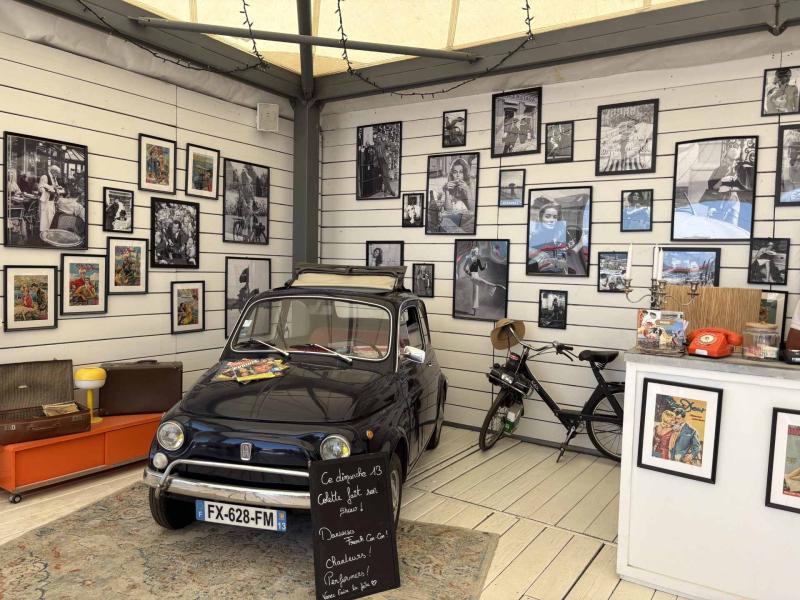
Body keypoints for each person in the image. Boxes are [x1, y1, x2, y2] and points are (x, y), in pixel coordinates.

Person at [700, 142, 751, 230]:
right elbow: (712, 188)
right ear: (725, 158)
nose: (732, 163)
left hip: (733, 204)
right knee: (716, 227)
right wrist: (722, 180)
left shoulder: (741, 171)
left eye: (735, 161)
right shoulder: (718, 170)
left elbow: (746, 188)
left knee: (731, 228)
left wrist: (737, 181)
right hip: (718, 203)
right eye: (730, 160)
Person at [462, 246, 505, 316]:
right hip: (472, 276)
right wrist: (469, 273)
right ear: (473, 251)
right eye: (476, 251)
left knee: (477, 290)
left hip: (477, 275)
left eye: (477, 252)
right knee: (479, 286)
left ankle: (475, 307)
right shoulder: (469, 259)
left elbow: (481, 269)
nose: (477, 253)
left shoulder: (478, 260)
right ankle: (495, 286)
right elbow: (464, 268)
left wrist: (485, 266)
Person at [38, 165, 64, 235]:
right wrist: (48, 189)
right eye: (56, 173)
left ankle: (49, 232)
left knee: (51, 217)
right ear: (53, 171)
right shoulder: (45, 177)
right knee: (45, 218)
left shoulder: (54, 178)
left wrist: (58, 188)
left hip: (51, 200)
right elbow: (40, 187)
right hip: (46, 200)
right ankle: (44, 233)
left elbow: (55, 186)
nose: (57, 175)